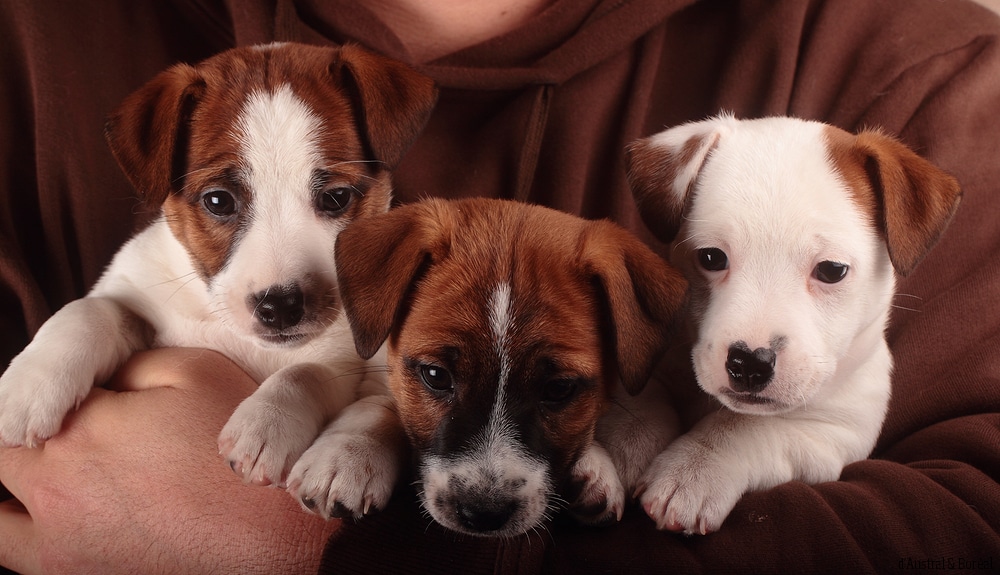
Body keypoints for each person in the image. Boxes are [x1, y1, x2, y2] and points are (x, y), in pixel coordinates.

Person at [1, 0, 999, 573]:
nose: (289, 274)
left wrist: (333, 553)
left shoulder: (915, 69)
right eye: (222, 199)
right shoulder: (38, 35)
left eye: (337, 197)